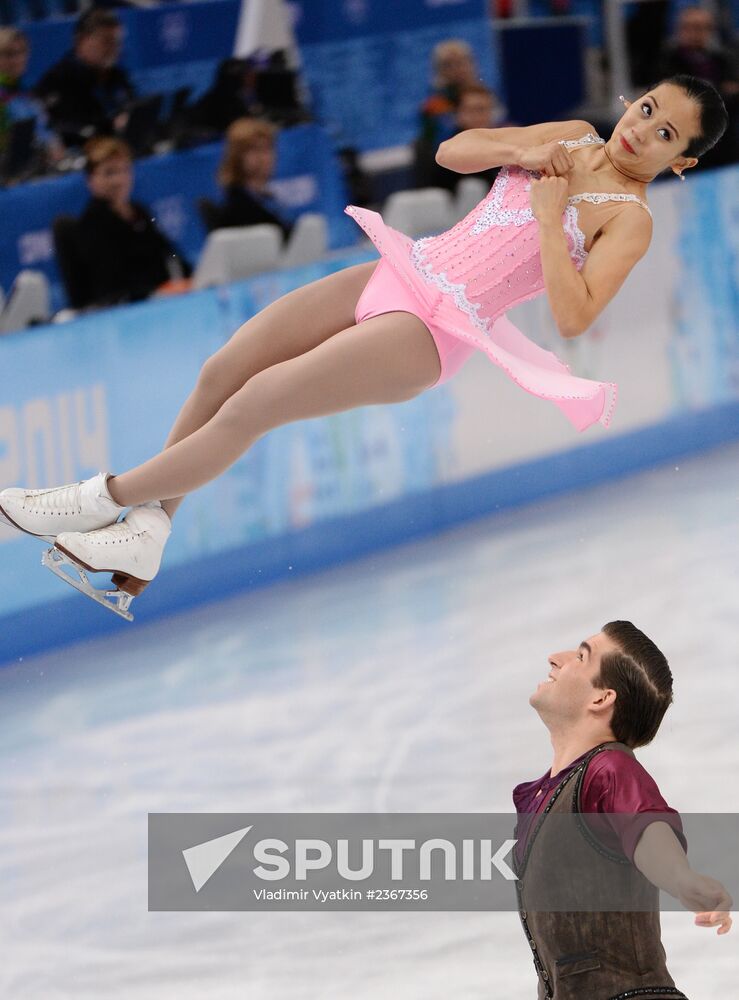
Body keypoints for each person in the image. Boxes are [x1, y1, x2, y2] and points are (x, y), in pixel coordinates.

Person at [0, 76, 728, 606]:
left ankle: (100, 499)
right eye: (647, 108)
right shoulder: (570, 136)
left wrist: (547, 217)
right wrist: (522, 150)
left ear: (682, 161)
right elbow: (454, 152)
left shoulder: (629, 220)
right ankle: (149, 532)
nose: (641, 128)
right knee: (225, 369)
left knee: (258, 402)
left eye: (666, 134)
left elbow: (574, 318)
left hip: (437, 331)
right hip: (405, 269)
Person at [516, 622, 732, 997]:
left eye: (581, 656)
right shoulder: (547, 794)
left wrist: (681, 878)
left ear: (601, 699)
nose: (555, 657)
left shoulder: (609, 770)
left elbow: (646, 825)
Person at [60, 136, 191, 309]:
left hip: (161, 301)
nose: (119, 180)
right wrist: (158, 292)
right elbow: (111, 288)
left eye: (125, 170)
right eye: (109, 172)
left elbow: (170, 253)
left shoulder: (139, 212)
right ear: (91, 180)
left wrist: (190, 279)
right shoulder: (91, 225)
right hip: (126, 312)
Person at [34, 9, 135, 148]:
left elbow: (132, 105)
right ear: (81, 40)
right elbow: (59, 128)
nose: (114, 48)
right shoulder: (58, 80)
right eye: (106, 41)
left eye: (117, 41)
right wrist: (109, 126)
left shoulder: (117, 75)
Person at [657, 7, 738, 166]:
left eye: (701, 28)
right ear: (680, 29)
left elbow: (734, 96)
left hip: (725, 143)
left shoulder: (722, 60)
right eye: (689, 27)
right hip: (687, 146)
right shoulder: (667, 62)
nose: (695, 33)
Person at [204, 117, 293, 239]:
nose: (263, 157)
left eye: (268, 149)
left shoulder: (267, 199)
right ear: (236, 156)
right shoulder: (235, 207)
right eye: (254, 150)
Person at [414, 83, 506, 191]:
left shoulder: (503, 144)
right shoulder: (446, 150)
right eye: (472, 110)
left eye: (483, 109)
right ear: (458, 113)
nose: (478, 116)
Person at [0, 27, 63, 177]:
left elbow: (45, 130)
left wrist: (53, 145)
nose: (18, 59)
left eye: (22, 52)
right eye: (9, 54)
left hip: (41, 169)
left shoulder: (27, 92)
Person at [417, 39, 479, 152]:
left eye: (461, 62)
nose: (456, 69)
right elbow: (442, 143)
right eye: (448, 65)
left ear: (472, 63)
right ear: (438, 70)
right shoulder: (433, 105)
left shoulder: (483, 94)